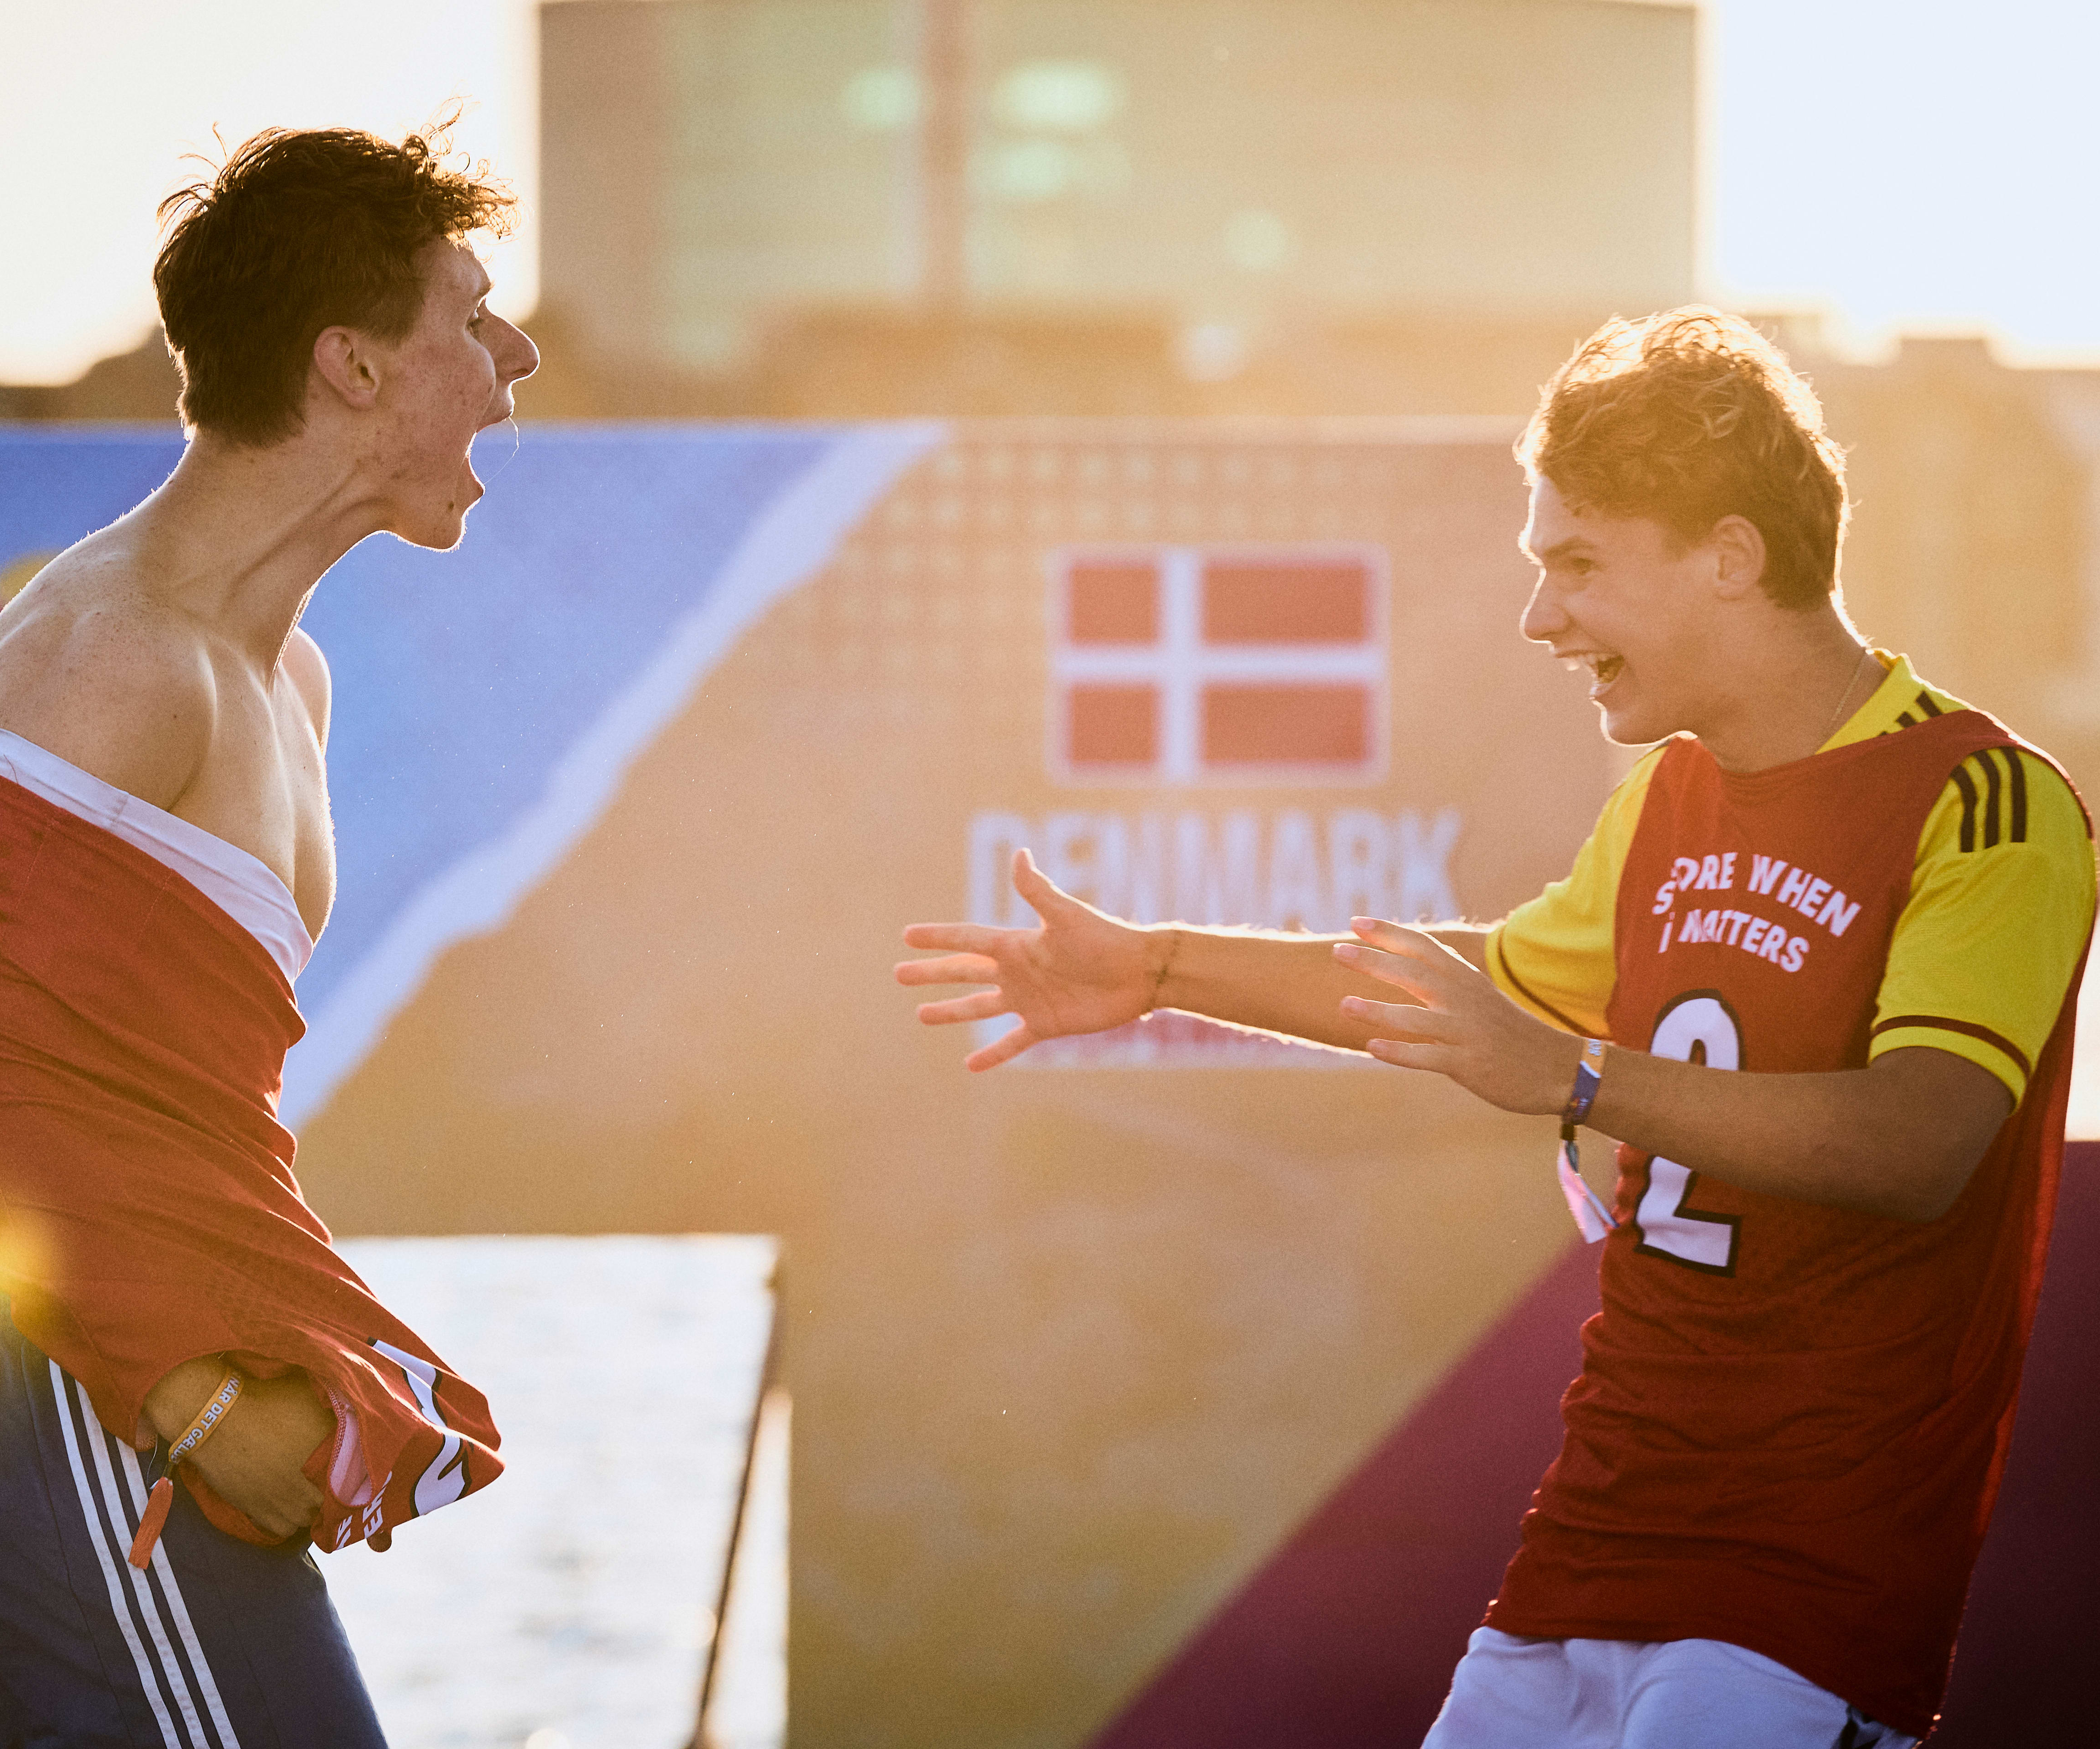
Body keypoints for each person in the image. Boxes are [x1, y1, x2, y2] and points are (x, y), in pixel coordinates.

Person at [896, 309, 2092, 1747]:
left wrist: (1579, 1079)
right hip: (1585, 1555)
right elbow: (1485, 994)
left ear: (1729, 556)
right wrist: (1157, 968)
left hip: (1808, 1600)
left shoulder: (1985, 801)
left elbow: (1922, 1142)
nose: (1541, 617)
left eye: (1578, 565)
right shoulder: (1669, 799)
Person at [0, 123, 539, 1747]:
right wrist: (195, 1394)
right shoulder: (109, 658)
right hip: (93, 1391)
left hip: (69, 1385)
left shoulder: (283, 676)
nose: (516, 360)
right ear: (353, 366)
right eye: (471, 318)